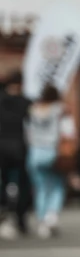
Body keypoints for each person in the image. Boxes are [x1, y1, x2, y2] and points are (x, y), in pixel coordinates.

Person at [26, 84, 75, 238]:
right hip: (53, 151)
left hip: (34, 152)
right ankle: (51, 216)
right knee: (56, 185)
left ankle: (41, 221)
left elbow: (26, 132)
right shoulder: (61, 110)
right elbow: (69, 131)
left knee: (40, 188)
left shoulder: (33, 110)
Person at [0, 71, 31, 238]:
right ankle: (20, 218)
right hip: (20, 148)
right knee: (23, 184)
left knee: (3, 182)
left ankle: (4, 212)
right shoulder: (25, 103)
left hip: (2, 148)